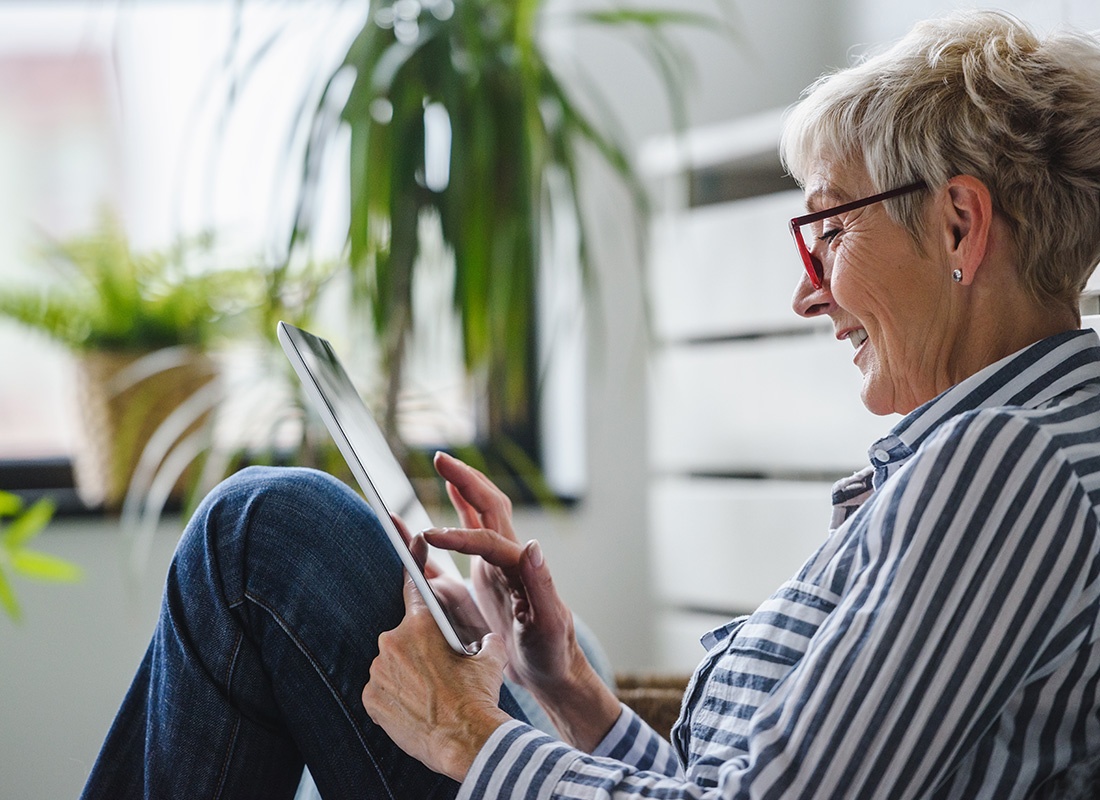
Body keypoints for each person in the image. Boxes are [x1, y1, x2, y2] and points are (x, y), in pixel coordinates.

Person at [81, 9, 1100, 798]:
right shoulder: (1000, 449)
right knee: (322, 554)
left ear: (960, 225)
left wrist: (469, 733)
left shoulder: (1007, 464)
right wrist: (564, 683)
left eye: (825, 230)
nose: (804, 289)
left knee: (260, 532)